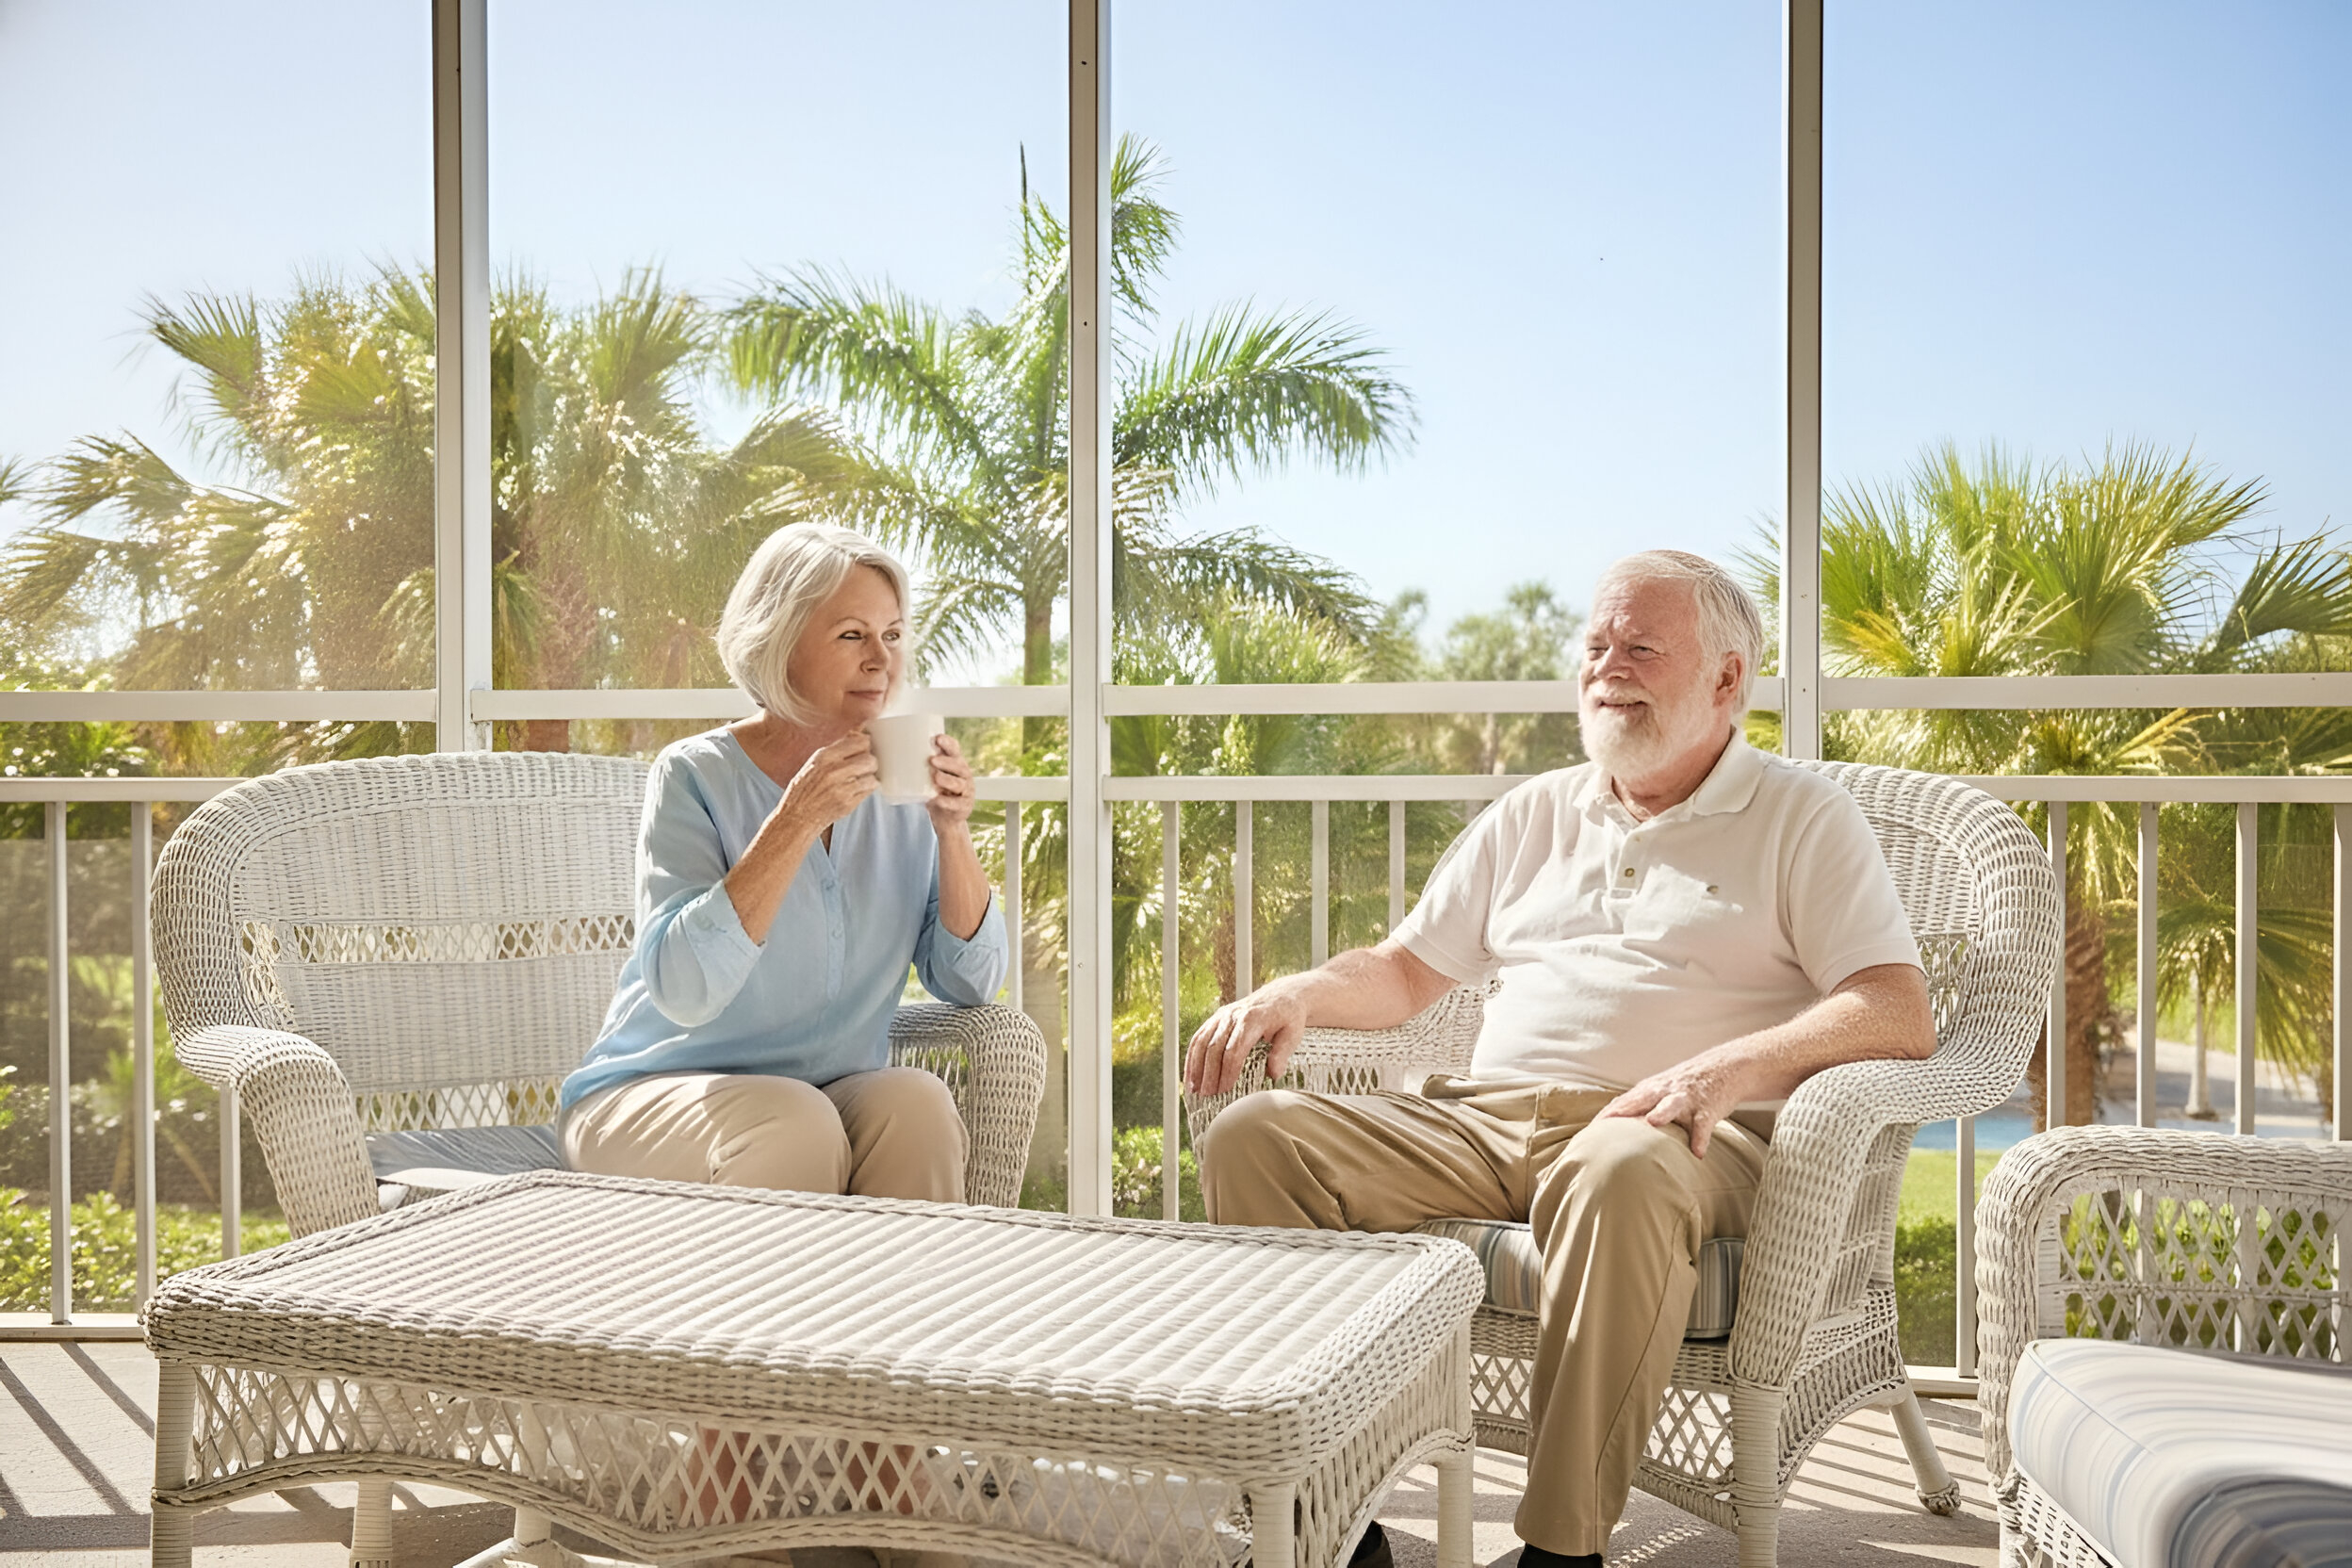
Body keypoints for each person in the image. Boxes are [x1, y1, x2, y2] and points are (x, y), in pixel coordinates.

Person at [1185, 551, 1934, 1568]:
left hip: (1678, 1133)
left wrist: (1725, 1069)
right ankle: (1331, 1518)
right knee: (1258, 1135)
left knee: (1615, 1166)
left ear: (1727, 679)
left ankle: (1561, 1548)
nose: (1605, 667)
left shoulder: (1803, 818)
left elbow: (1894, 1007)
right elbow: (1405, 973)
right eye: (1594, 646)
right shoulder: (1535, 812)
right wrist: (1300, 992)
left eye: (1639, 647)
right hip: (1484, 1117)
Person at [561, 522, 1006, 1202]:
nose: (881, 660)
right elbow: (684, 989)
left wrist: (952, 834)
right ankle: (760, 1314)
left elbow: (969, 983)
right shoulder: (694, 776)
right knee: (795, 1125)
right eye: (852, 635)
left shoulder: (901, 786)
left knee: (918, 1105)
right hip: (652, 1094)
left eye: (892, 635)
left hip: (822, 1093)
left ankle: (908, 1310)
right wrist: (796, 819)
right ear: (779, 641)